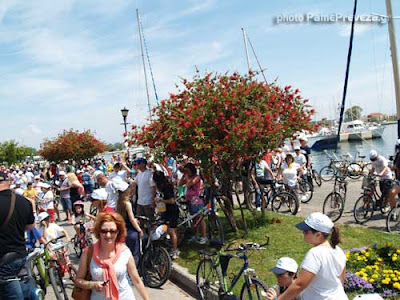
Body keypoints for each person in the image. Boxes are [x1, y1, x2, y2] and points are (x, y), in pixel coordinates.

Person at [74, 212, 150, 300]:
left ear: (118, 232)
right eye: (104, 231)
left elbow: (136, 280)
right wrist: (92, 285)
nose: (108, 235)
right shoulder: (88, 252)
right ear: (99, 231)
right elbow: (78, 280)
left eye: (112, 231)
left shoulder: (124, 251)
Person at [276, 212, 348, 300]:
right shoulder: (338, 251)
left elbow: (300, 285)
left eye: (306, 231)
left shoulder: (315, 254)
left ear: (318, 234)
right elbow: (341, 280)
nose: (303, 233)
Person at [0, 171, 36, 299]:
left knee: (9, 288)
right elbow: (30, 226)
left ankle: (32, 294)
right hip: (20, 254)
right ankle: (33, 294)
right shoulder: (22, 200)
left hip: (4, 259)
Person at [153, 171, 180, 259]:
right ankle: (173, 246)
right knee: (170, 230)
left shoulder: (167, 187)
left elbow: (171, 201)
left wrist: (161, 200)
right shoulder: (163, 186)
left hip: (172, 211)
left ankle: (175, 250)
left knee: (172, 231)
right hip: (166, 210)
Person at [178, 162, 207, 244]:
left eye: (188, 171)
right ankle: (197, 235)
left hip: (196, 199)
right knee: (194, 218)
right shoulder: (186, 176)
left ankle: (204, 236)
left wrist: (186, 175)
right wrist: (184, 175)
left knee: (200, 218)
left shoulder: (196, 177)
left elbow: (189, 183)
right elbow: (180, 184)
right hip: (189, 199)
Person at [116, 185, 143, 266]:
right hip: (131, 231)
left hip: (123, 230)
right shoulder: (127, 204)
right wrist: (139, 230)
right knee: (134, 254)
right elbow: (131, 219)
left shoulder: (119, 203)